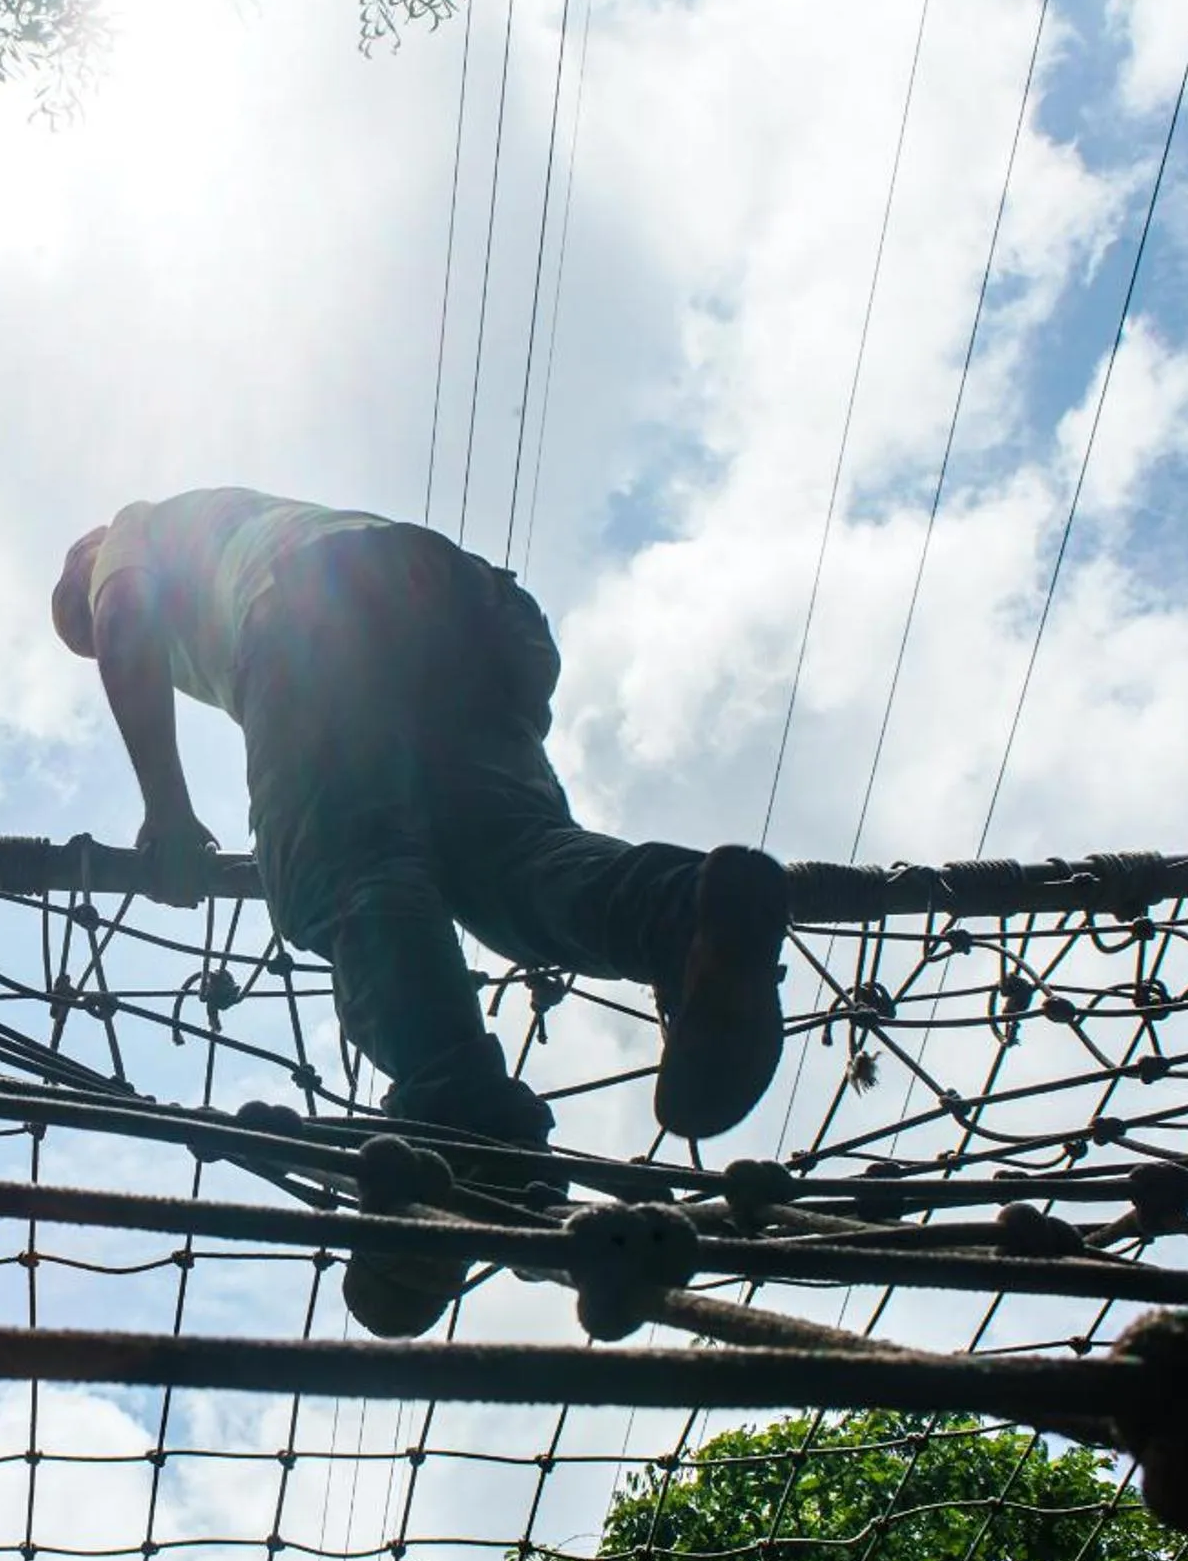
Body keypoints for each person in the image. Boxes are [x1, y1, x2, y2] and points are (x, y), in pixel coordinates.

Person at [52, 489, 790, 1333]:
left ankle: (463, 1126)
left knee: (340, 862)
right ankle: (686, 918)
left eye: (75, 596)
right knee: (507, 860)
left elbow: (122, 617)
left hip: (317, 603)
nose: (85, 624)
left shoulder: (136, 533)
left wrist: (168, 812)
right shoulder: (240, 543)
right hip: (466, 610)